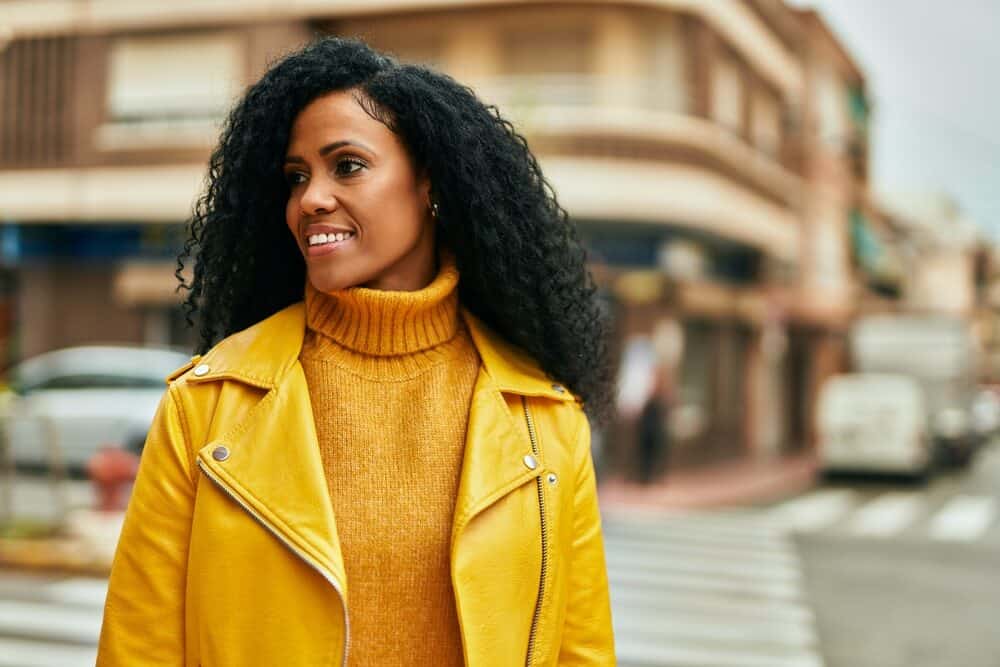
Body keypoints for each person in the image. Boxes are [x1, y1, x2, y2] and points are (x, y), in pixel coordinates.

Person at [97, 37, 616, 666]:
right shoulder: (204, 408)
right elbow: (139, 650)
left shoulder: (548, 421)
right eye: (296, 177)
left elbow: (579, 651)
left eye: (347, 165)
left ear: (431, 185)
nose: (310, 198)